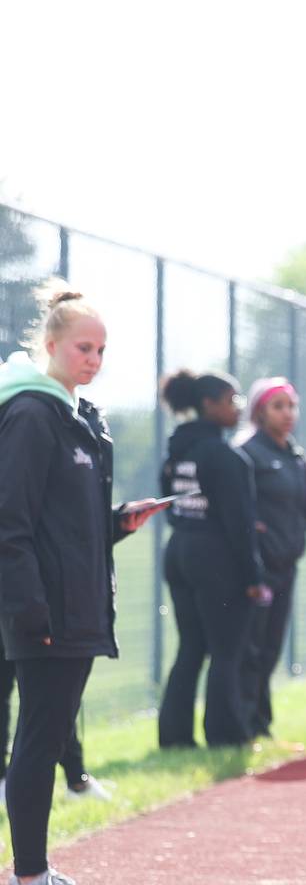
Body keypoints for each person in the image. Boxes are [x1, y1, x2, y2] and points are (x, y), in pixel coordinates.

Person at [0, 285, 164, 885]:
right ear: (49, 346)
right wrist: (30, 610)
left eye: (100, 349)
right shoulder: (29, 414)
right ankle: (32, 875)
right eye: (81, 347)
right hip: (46, 614)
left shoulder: (79, 418)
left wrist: (118, 522)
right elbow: (9, 523)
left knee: (44, 738)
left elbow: (67, 527)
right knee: (38, 743)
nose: (92, 359)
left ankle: (35, 871)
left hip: (78, 608)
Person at [157, 369, 269, 748]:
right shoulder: (224, 456)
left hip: (179, 551)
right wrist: (254, 577)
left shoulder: (177, 448)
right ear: (208, 404)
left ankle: (174, 739)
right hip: (216, 560)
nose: (238, 408)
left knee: (191, 646)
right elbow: (239, 523)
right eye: (231, 400)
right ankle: (226, 737)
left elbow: (168, 501)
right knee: (227, 650)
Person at [236, 377, 306, 738]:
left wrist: (295, 535)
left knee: (270, 648)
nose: (288, 414)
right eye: (278, 406)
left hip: (286, 565)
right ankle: (244, 726)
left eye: (292, 406)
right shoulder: (247, 452)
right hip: (257, 568)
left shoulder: (296, 455)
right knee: (250, 650)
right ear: (259, 411)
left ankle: (260, 724)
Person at [0, 644, 110, 804]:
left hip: (29, 631)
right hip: (26, 631)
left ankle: (78, 779)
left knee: (51, 703)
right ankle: (77, 779)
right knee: (49, 704)